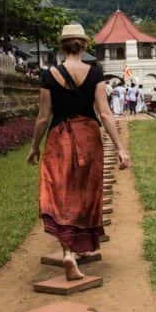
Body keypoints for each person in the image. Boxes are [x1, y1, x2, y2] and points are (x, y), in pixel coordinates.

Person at [27, 24, 130, 280]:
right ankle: (80, 245)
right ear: (84, 46)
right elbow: (105, 113)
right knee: (85, 191)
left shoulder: (49, 75)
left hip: (59, 137)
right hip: (88, 136)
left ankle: (68, 252)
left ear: (62, 47)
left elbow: (42, 117)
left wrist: (34, 147)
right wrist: (120, 148)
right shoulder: (95, 73)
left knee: (61, 191)